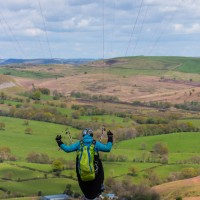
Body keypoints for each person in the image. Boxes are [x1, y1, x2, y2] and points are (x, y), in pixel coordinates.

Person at [55, 128, 113, 200]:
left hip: (82, 173)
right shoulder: (95, 143)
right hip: (95, 173)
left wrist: (59, 142)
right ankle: (100, 186)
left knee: (88, 193)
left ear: (83, 135)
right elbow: (108, 148)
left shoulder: (79, 144)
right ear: (91, 135)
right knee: (99, 162)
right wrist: (110, 137)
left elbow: (67, 149)